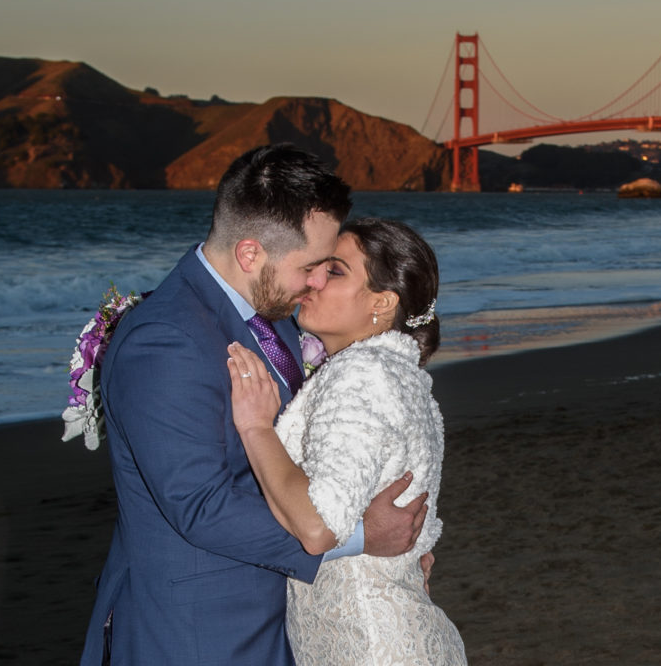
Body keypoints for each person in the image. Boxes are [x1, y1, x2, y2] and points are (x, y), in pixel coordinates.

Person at [80, 146, 430, 666]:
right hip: (197, 631)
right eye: (311, 267)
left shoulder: (278, 317)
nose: (316, 283)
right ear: (250, 254)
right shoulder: (166, 340)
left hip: (276, 616)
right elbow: (201, 506)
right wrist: (359, 538)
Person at [226, 217, 467, 665]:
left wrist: (256, 428)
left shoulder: (362, 374)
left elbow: (319, 528)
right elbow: (421, 524)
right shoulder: (401, 374)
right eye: (316, 267)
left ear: (382, 302)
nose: (313, 281)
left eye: (334, 271)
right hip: (388, 631)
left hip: (369, 644)